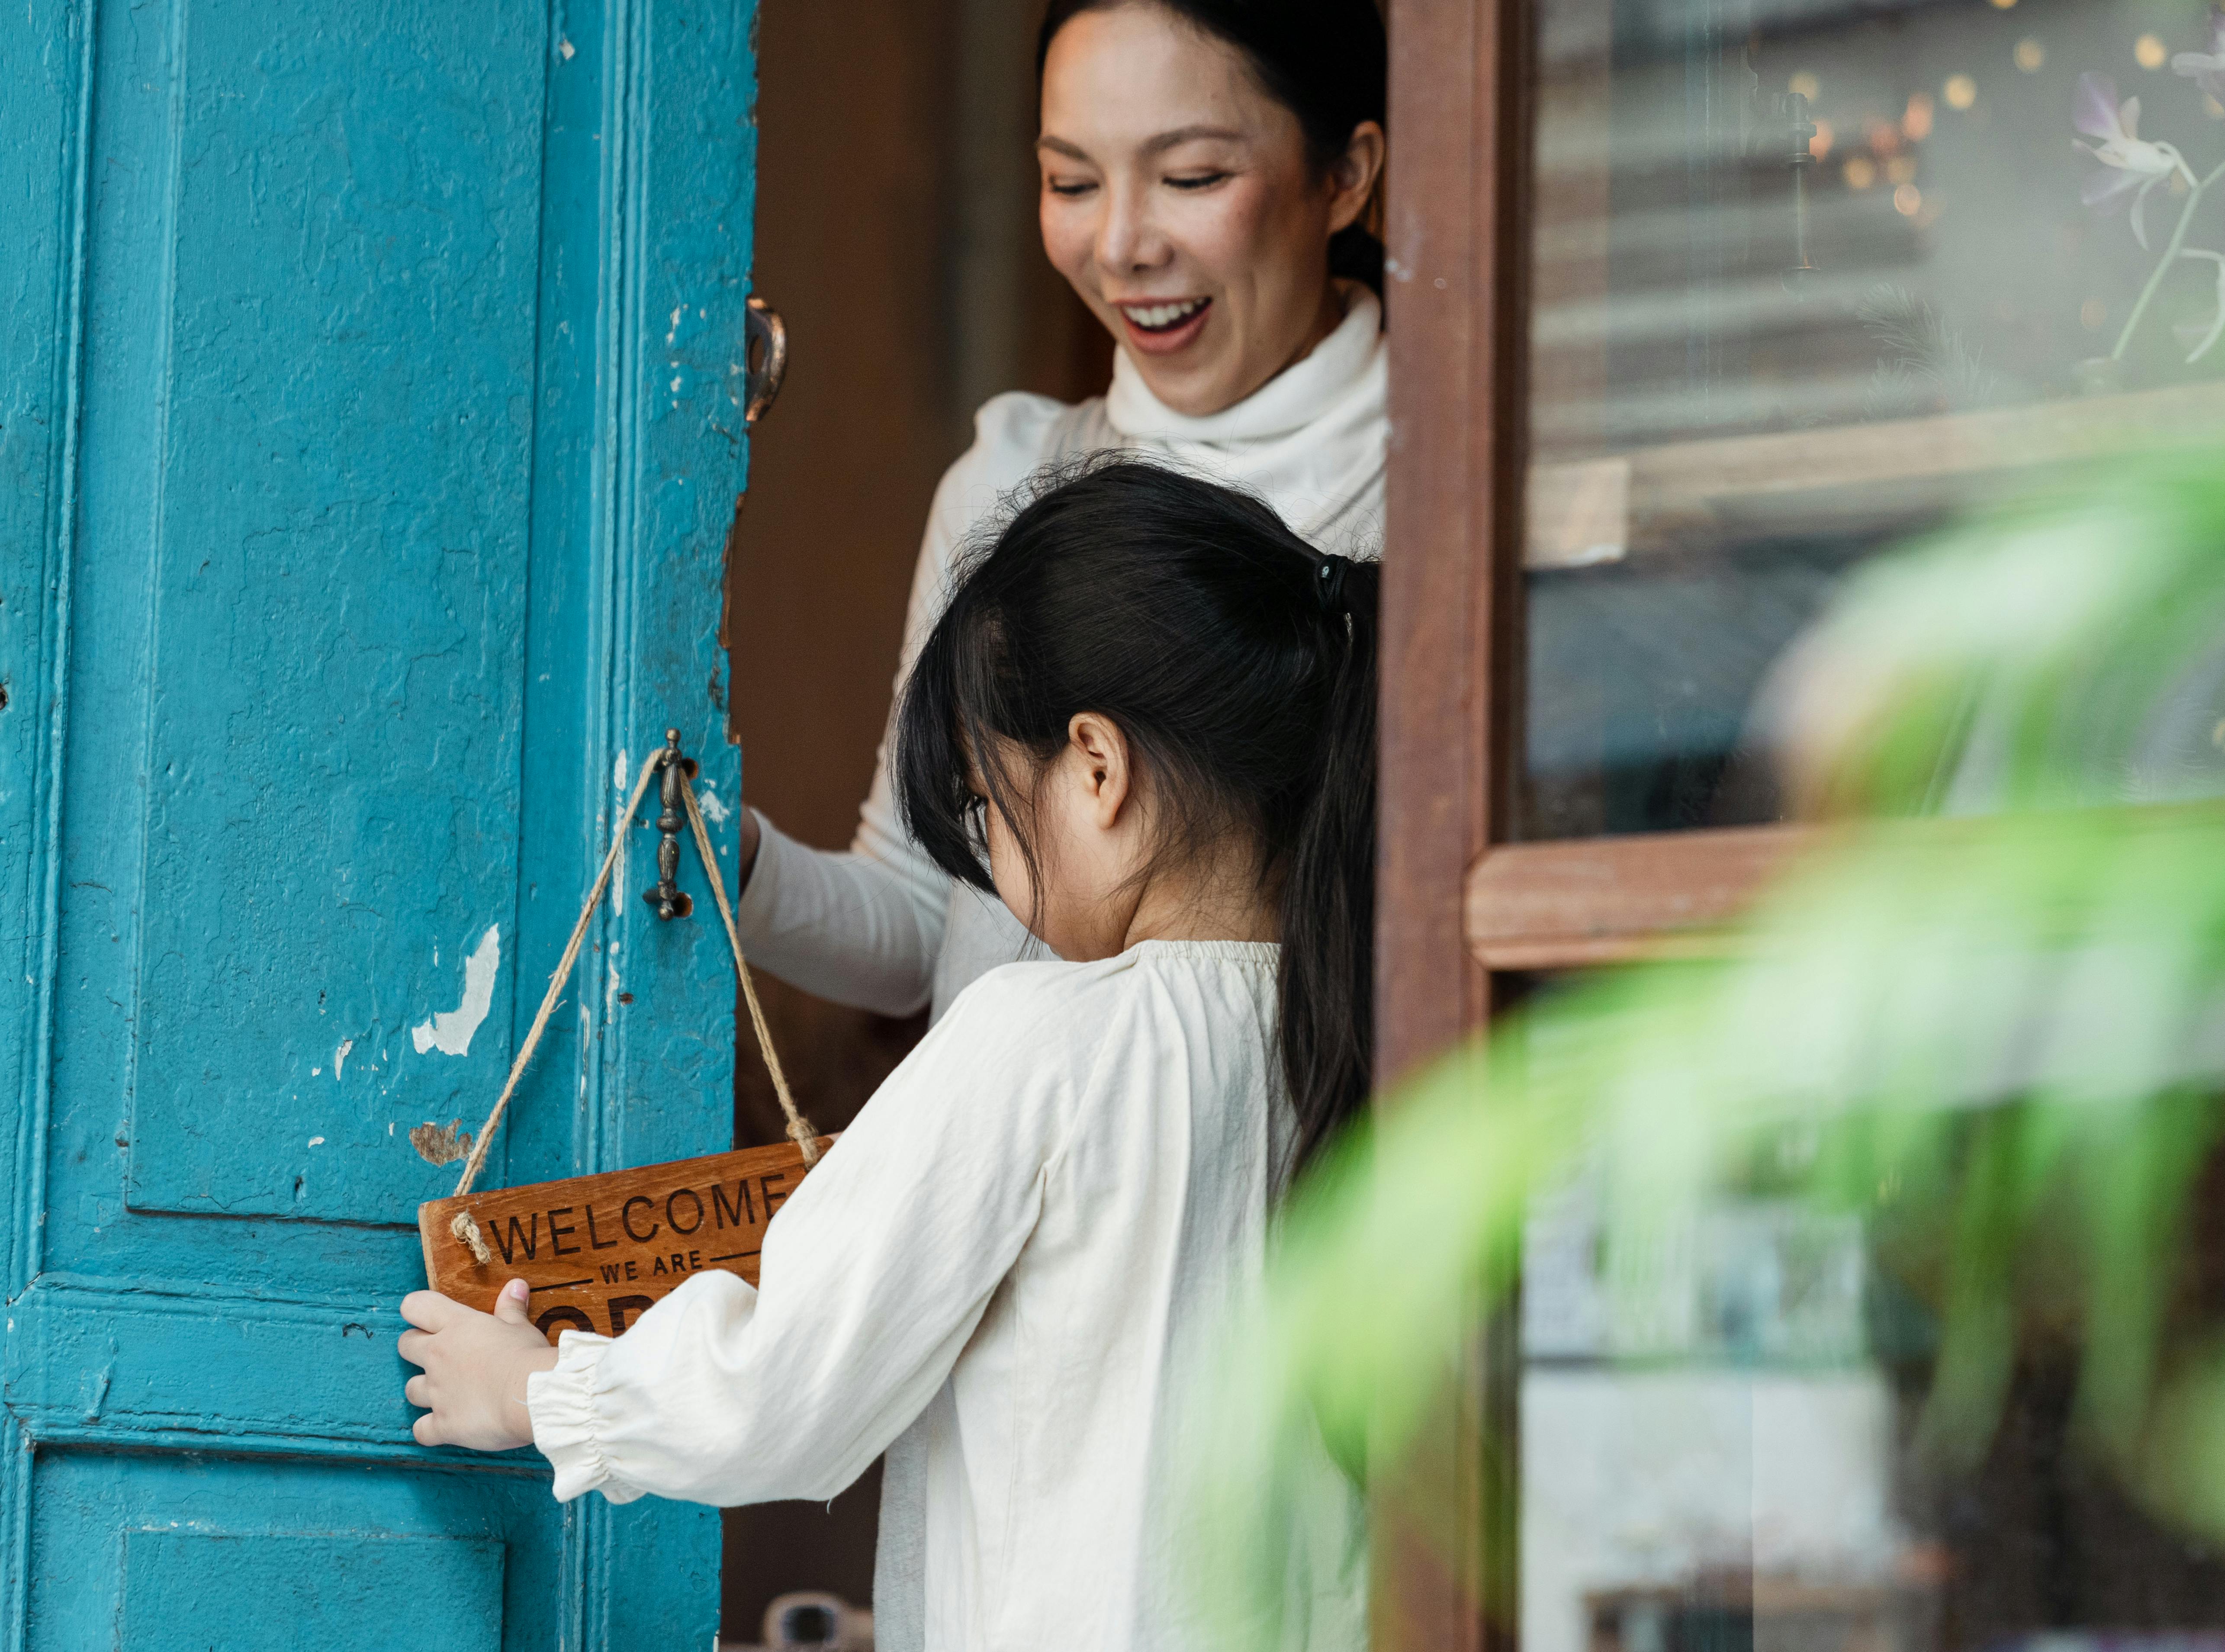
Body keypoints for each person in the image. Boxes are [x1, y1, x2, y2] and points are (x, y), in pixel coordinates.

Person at [398, 461, 1381, 1651]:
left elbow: (787, 1383)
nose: (991, 870)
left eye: (980, 805)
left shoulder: (1040, 1042)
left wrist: (530, 1390)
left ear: (1095, 769)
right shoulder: (1366, 1039)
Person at [729, 0, 1389, 1025]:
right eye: (1071, 182)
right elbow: (924, 919)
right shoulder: (1008, 481)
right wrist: (732, 861)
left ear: (1346, 172)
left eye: (1192, 178)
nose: (1121, 244)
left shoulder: (1449, 493)